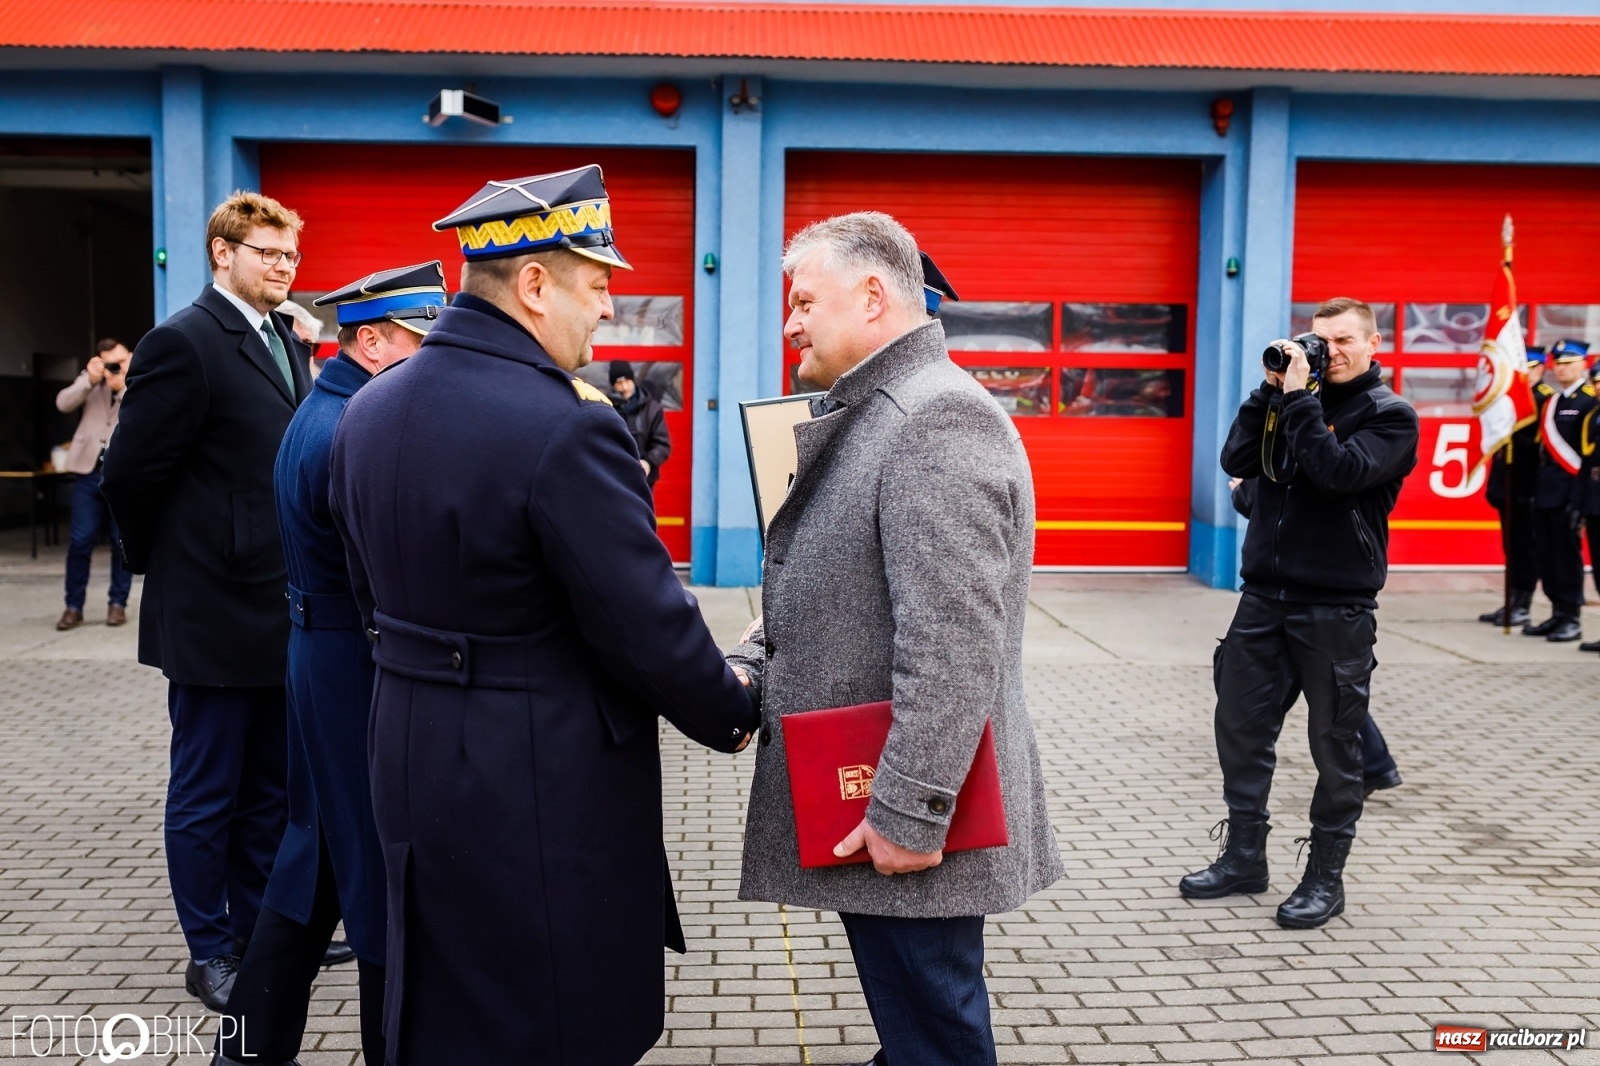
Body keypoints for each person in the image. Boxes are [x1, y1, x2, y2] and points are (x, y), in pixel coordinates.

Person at [326, 165, 757, 1065]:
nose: (606, 310)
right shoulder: (565, 425)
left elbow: (368, 595)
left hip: (406, 747)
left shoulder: (366, 409)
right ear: (533, 284)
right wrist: (733, 702)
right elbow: (644, 623)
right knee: (551, 1012)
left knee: (442, 1001)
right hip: (535, 775)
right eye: (596, 285)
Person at [726, 212, 1063, 1066]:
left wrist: (909, 816)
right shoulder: (885, 411)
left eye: (805, 301)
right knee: (916, 1033)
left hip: (908, 816)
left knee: (936, 1043)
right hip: (872, 795)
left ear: (873, 295)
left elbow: (954, 646)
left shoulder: (932, 420)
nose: (791, 322)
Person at [212, 263, 445, 1066]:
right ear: (371, 341)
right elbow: (385, 577)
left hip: (323, 655)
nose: (434, 358)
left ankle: (246, 1046)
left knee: (310, 864)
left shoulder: (330, 409)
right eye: (420, 341)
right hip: (356, 663)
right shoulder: (354, 428)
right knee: (381, 879)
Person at [100, 191, 312, 1012]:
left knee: (268, 789)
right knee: (205, 792)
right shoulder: (182, 341)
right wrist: (179, 564)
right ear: (222, 253)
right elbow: (129, 473)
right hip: (211, 612)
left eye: (290, 255)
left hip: (273, 607)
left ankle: (262, 933)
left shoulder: (285, 338)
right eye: (267, 252)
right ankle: (210, 949)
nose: (282, 267)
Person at [1179, 297, 1419, 929]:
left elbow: (1337, 472)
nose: (1328, 351)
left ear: (1373, 346)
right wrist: (1268, 392)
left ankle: (1324, 879)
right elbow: (1237, 463)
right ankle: (1244, 858)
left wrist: (1301, 402)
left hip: (1336, 608)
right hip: (1262, 599)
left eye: (1343, 341)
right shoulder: (1290, 401)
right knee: (1240, 730)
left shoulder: (1390, 416)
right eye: (1318, 339)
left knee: (1335, 746)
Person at [1228, 477, 1401, 797]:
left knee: (1318, 687)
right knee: (1323, 687)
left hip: (1308, 596)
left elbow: (1265, 501)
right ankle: (1375, 763)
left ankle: (1373, 764)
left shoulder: (1312, 441)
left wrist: (1242, 491)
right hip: (1296, 591)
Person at [53, 338, 134, 630]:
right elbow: (63, 403)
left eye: (120, 361)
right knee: (80, 540)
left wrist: (122, 384)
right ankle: (73, 606)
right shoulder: (91, 381)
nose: (115, 367)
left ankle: (117, 604)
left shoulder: (139, 379)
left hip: (121, 475)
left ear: (130, 357)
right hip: (88, 474)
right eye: (110, 362)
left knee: (119, 541)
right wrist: (90, 378)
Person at [1523, 340, 1595, 643]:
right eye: (1558, 363)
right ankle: (1556, 611)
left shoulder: (1589, 401)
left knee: (1567, 555)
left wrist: (1579, 496)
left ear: (1583, 364)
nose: (1561, 369)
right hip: (1546, 488)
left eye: (1568, 363)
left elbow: (1587, 454)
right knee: (1548, 554)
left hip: (1571, 488)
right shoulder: (1553, 401)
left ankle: (1572, 616)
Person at [1478, 348, 1552, 627]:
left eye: (1529, 368)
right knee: (1512, 547)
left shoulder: (1543, 399)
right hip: (1507, 485)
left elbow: (1537, 448)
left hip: (1528, 486)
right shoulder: (1507, 398)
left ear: (1539, 370)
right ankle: (1512, 600)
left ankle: (1524, 603)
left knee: (1526, 547)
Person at [607, 359, 671, 488]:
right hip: (614, 478)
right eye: (619, 383)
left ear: (633, 380)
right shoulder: (606, 407)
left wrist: (648, 462)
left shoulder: (652, 409)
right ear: (613, 385)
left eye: (627, 381)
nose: (624, 387)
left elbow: (662, 444)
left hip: (644, 480)